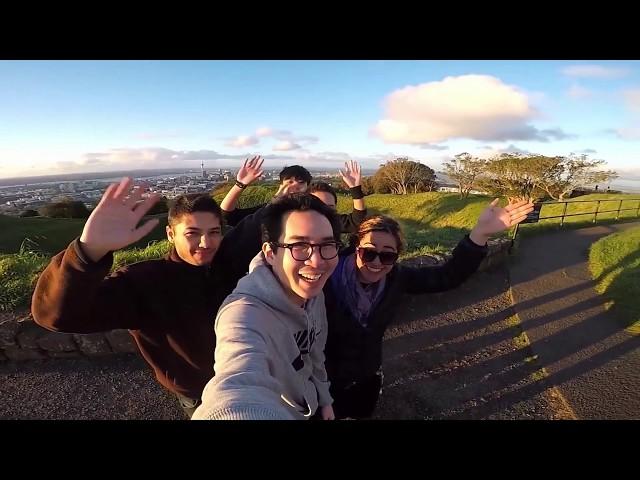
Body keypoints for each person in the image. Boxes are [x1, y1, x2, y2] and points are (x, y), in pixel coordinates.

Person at [31, 178, 242, 418]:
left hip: (251, 380)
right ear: (170, 234)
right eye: (192, 233)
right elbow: (56, 315)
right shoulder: (143, 281)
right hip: (200, 394)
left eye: (213, 232)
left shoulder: (233, 267)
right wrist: (87, 252)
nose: (205, 243)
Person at [323, 198, 535, 419]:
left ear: (397, 257)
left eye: (387, 255)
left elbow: (447, 276)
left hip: (366, 375)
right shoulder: (324, 278)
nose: (376, 262)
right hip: (322, 378)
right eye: (369, 252)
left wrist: (480, 234)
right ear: (356, 248)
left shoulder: (397, 279)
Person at [192, 193, 342, 420]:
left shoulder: (313, 294)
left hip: (311, 404)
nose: (317, 261)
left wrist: (325, 399)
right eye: (300, 245)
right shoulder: (243, 313)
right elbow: (237, 382)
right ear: (270, 253)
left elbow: (315, 352)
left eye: (327, 245)